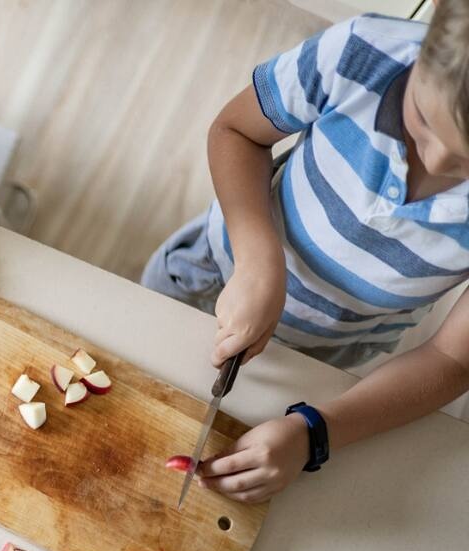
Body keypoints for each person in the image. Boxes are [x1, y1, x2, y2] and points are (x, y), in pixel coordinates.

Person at [141, 4, 469, 502]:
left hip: (327, 353)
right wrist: (257, 261)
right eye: (423, 118)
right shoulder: (361, 51)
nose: (436, 159)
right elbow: (235, 132)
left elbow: (452, 360)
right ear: (423, 52)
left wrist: (315, 432)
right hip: (208, 273)